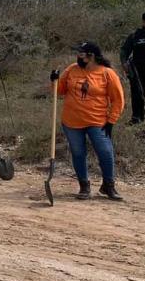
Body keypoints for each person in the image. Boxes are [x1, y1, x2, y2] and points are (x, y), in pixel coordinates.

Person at [50, 42, 125, 201]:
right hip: (72, 121)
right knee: (78, 153)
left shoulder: (107, 73)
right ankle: (84, 185)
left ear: (91, 56)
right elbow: (60, 91)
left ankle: (108, 185)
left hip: (98, 121)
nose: (78, 56)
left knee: (105, 152)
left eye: (81, 54)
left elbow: (118, 100)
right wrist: (54, 81)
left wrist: (111, 121)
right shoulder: (71, 69)